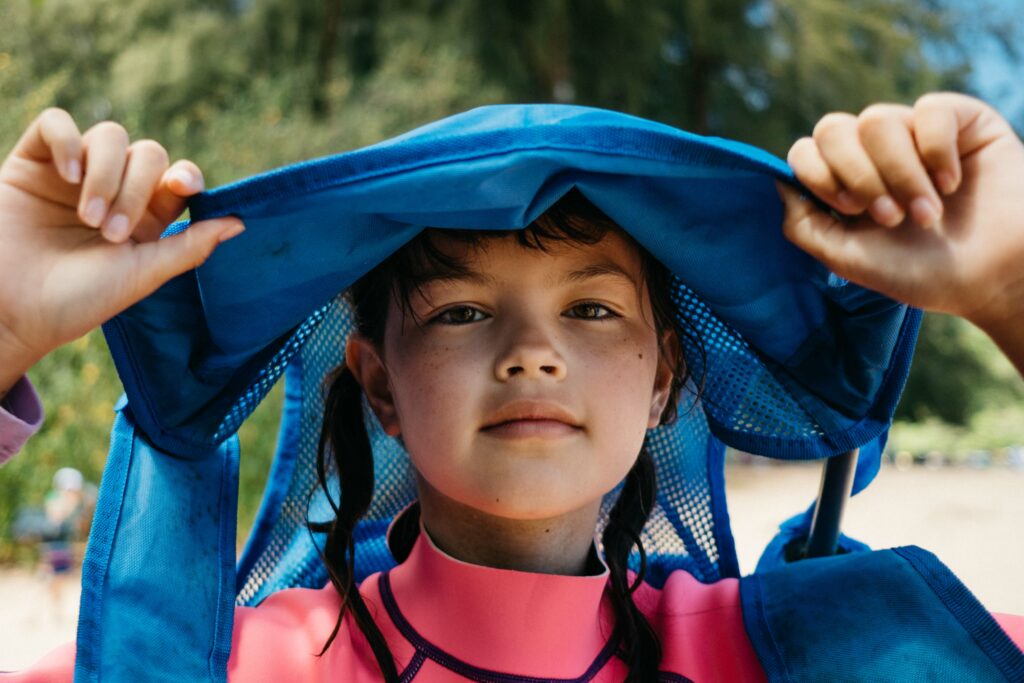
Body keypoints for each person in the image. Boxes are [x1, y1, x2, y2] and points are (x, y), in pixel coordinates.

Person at [1, 92, 1022, 681]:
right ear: (377, 384)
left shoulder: (815, 654)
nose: (532, 353)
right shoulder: (225, 666)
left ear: (666, 374)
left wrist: (1013, 286)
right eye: (459, 311)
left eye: (591, 309)